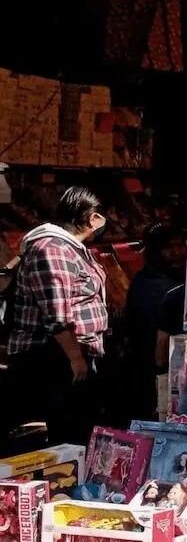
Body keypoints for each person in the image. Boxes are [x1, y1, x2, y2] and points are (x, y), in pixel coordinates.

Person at [6, 187, 110, 445]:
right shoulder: (52, 249)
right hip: (54, 358)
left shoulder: (73, 248)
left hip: (70, 356)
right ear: (93, 218)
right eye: (103, 218)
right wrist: (76, 359)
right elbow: (56, 313)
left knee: (78, 432)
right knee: (66, 436)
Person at [120, 225, 186, 422]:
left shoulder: (178, 279)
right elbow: (159, 342)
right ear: (155, 252)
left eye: (181, 245)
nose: (177, 252)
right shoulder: (149, 284)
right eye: (169, 248)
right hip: (150, 371)